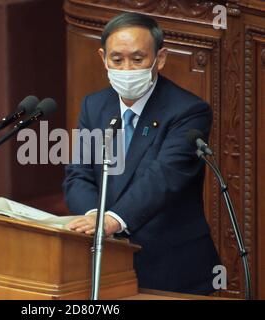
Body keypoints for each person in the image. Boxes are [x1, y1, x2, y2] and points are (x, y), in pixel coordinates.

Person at [63, 12, 221, 295]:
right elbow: (78, 174)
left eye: (138, 59)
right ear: (103, 58)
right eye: (117, 59)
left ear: (159, 58)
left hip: (170, 267)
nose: (126, 69)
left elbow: (163, 178)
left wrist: (112, 220)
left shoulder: (187, 111)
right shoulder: (95, 106)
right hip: (107, 262)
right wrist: (95, 216)